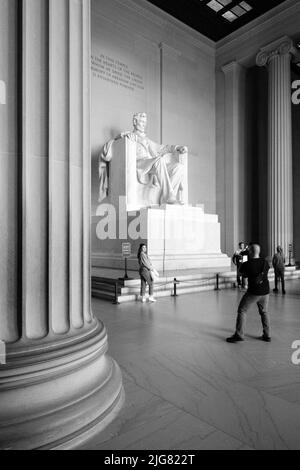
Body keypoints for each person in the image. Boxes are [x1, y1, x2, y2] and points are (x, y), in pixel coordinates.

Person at [99, 112, 187, 205]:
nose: (144, 125)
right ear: (135, 122)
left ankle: (167, 198)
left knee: (179, 167)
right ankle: (169, 196)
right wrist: (121, 136)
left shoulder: (147, 140)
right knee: (159, 160)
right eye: (141, 122)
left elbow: (163, 148)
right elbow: (107, 150)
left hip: (150, 163)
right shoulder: (128, 135)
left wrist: (176, 148)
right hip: (139, 164)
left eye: (145, 122)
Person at [227, 244, 271, 343]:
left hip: (254, 292)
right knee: (264, 312)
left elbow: (240, 273)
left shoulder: (247, 263)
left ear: (250, 252)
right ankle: (267, 335)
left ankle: (239, 335)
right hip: (265, 292)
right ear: (259, 252)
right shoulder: (265, 262)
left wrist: (242, 261)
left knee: (242, 310)